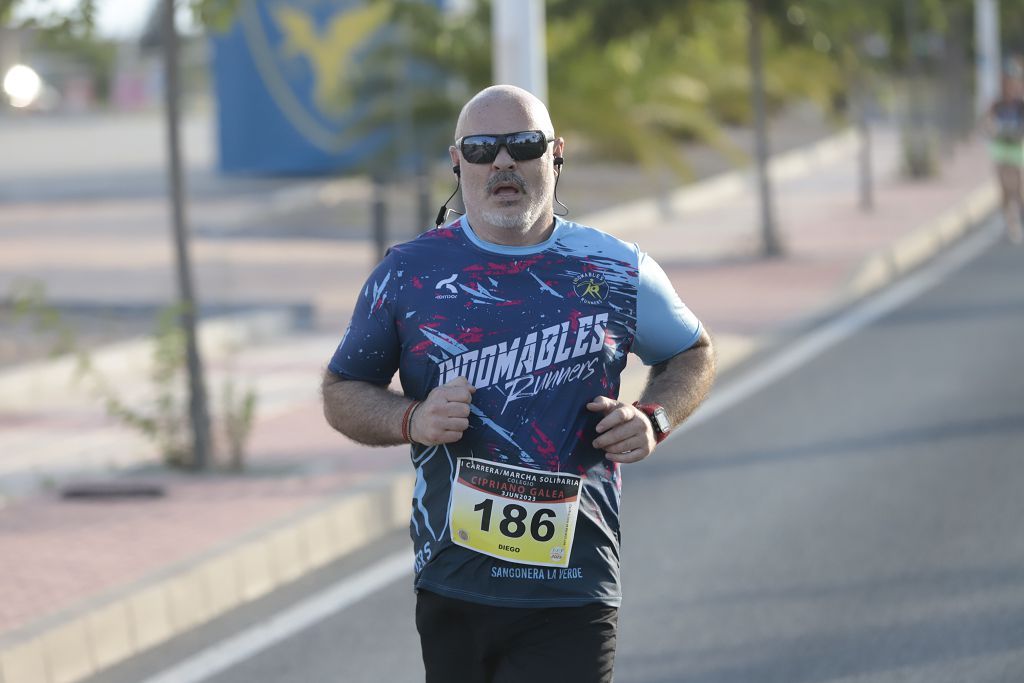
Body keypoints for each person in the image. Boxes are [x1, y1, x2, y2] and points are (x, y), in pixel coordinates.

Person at [321, 84, 715, 682]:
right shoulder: (408, 274)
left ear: (555, 153)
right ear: (458, 162)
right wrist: (412, 419)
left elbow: (693, 351)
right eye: (481, 149)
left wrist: (654, 417)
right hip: (455, 582)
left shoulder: (615, 268)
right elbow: (342, 390)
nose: (503, 162)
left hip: (574, 585)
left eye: (523, 144)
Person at [985, 63, 1024, 244]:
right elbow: (987, 122)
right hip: (1001, 151)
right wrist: (992, 129)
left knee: (1018, 189)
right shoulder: (997, 104)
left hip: (1016, 151)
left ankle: (1016, 218)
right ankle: (1010, 222)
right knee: (1004, 190)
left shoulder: (1020, 105)